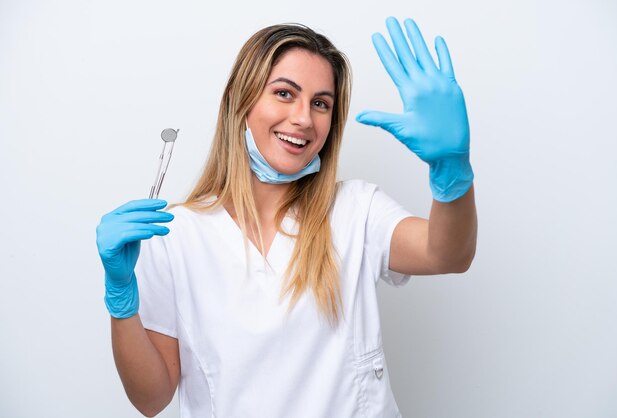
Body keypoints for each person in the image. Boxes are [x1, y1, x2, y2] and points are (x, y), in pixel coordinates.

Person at [96, 16, 477, 418]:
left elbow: (446, 254)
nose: (303, 119)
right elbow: (151, 399)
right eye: (284, 93)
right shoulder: (174, 235)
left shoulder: (356, 209)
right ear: (240, 102)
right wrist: (121, 301)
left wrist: (452, 172)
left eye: (320, 103)